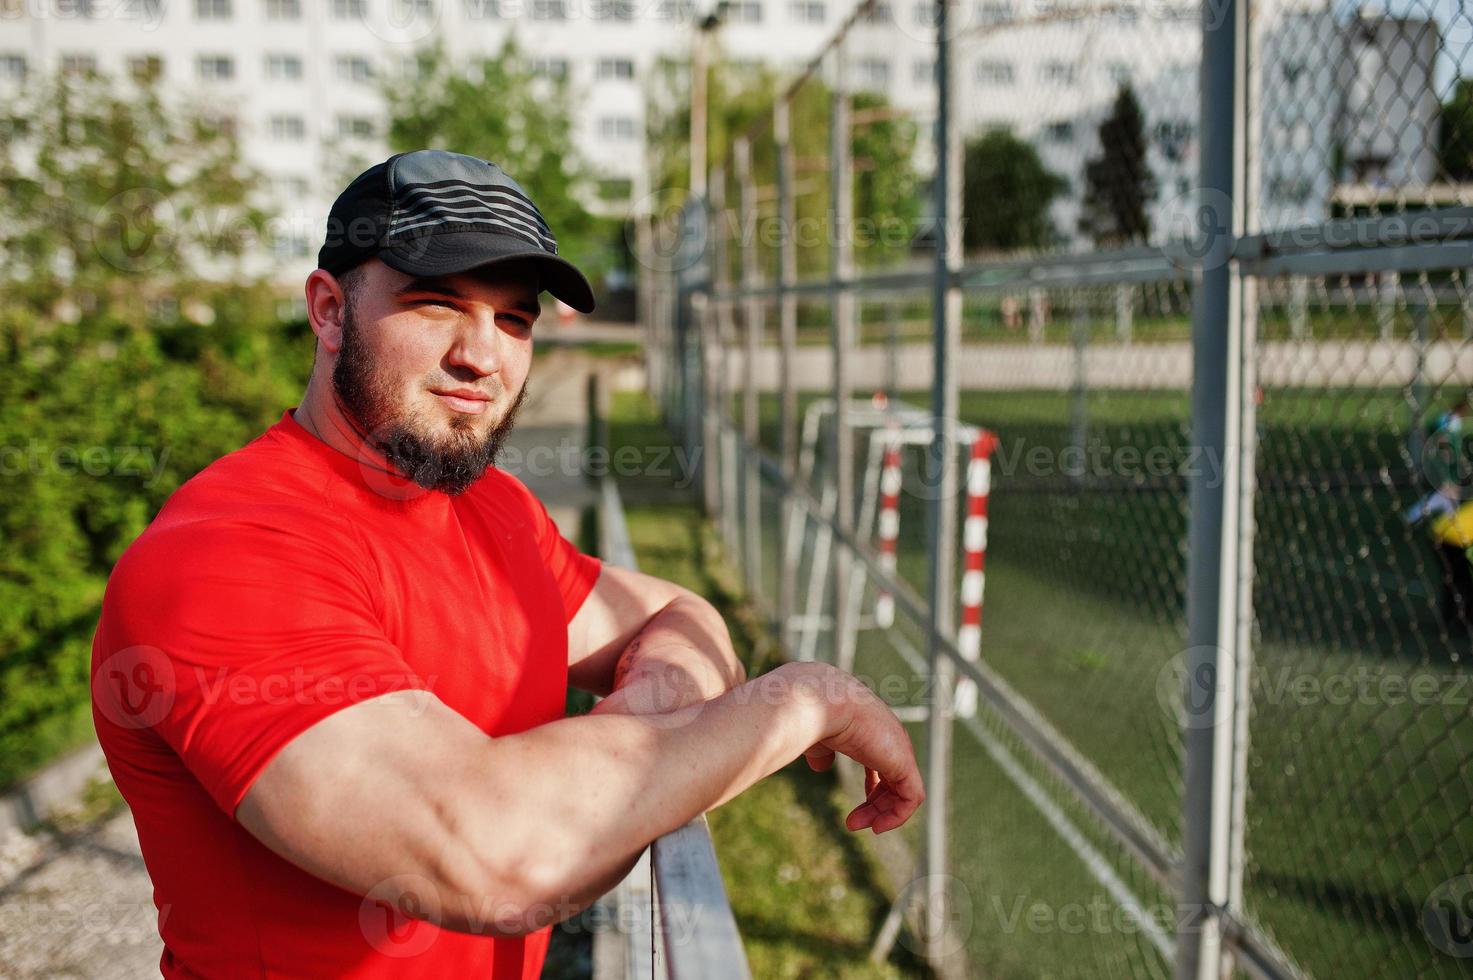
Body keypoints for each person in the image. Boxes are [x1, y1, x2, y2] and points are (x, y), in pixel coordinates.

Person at [90, 150, 924, 978]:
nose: (481, 357)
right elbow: (498, 860)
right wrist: (799, 700)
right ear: (329, 310)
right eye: (437, 303)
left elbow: (679, 616)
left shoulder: (489, 507)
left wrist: (644, 714)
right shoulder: (228, 551)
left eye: (514, 319)